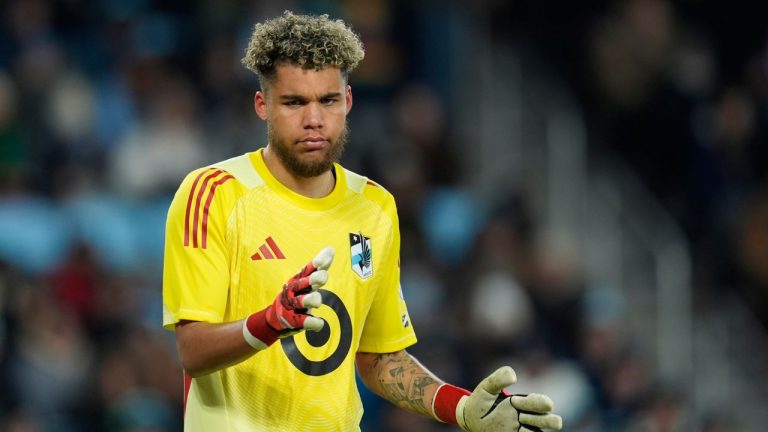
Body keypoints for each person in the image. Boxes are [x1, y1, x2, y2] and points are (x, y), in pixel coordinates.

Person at [162, 10, 563, 432]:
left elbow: (379, 357)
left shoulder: (374, 207)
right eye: (295, 102)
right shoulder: (212, 194)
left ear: (348, 101)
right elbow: (193, 350)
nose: (314, 119)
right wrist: (270, 321)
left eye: (327, 101)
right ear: (263, 106)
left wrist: (460, 408)